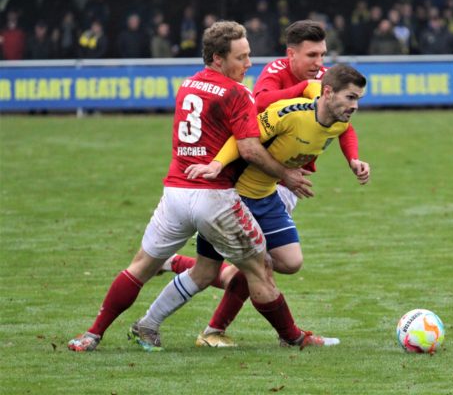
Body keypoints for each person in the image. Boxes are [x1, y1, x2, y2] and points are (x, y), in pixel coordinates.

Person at [67, 20, 318, 352]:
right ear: (217, 58)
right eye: (241, 57)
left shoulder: (188, 84)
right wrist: (285, 174)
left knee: (143, 266)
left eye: (249, 55)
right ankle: (294, 338)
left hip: (175, 192)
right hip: (214, 198)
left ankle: (94, 334)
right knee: (260, 269)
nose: (249, 64)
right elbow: (249, 149)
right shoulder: (237, 92)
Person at [135, 64, 368, 349]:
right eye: (351, 98)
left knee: (289, 262)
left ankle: (176, 266)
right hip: (234, 198)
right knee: (231, 271)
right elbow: (244, 139)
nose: (355, 105)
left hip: (267, 196)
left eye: (358, 99)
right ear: (328, 93)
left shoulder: (339, 118)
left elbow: (346, 131)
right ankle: (161, 324)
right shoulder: (290, 113)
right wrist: (217, 164)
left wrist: (354, 160)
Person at [252, 20, 370, 194]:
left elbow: (344, 126)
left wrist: (353, 159)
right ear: (291, 54)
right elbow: (261, 102)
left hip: (292, 173)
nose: (319, 62)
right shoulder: (277, 69)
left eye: (322, 55)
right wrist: (304, 86)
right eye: (312, 55)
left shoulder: (326, 77)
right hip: (259, 166)